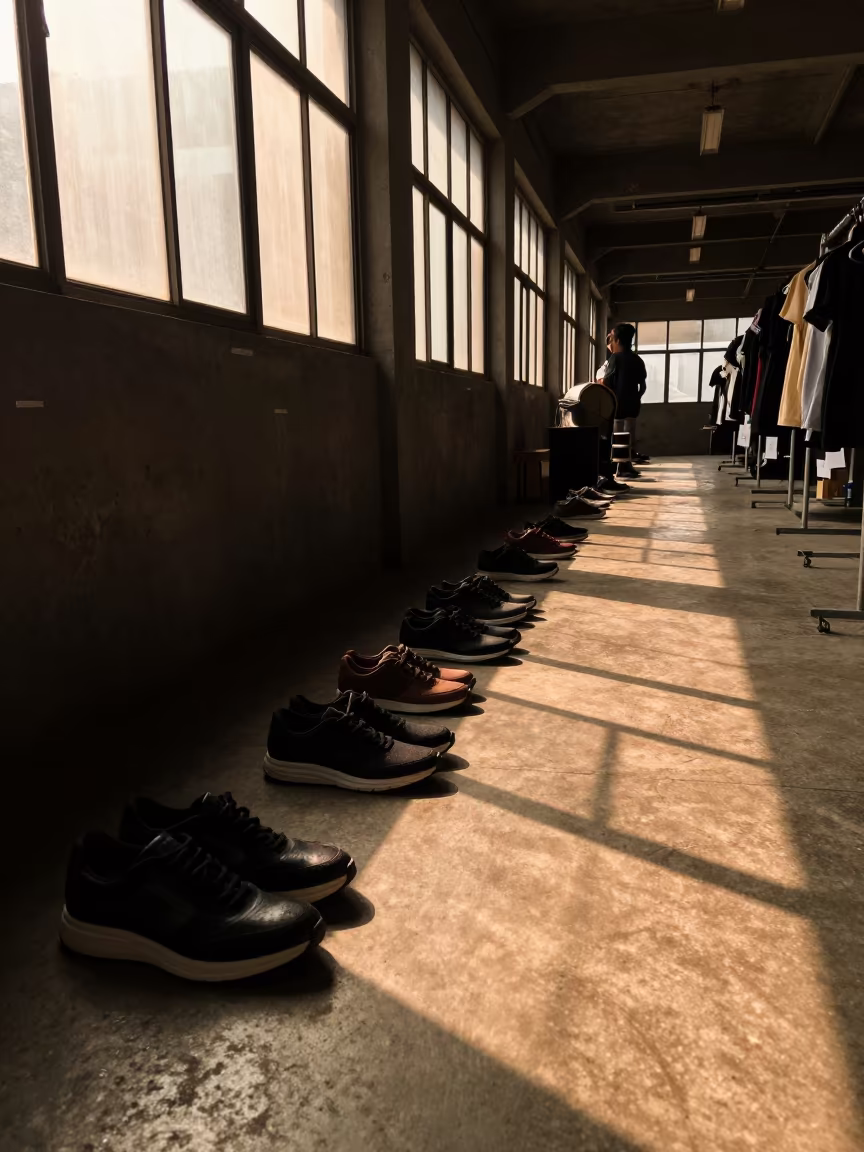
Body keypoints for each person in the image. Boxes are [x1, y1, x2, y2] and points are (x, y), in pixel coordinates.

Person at [601, 323, 647, 478]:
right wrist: (635, 398)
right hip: (632, 407)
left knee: (617, 437)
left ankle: (617, 467)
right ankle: (626, 465)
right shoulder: (637, 359)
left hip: (616, 407)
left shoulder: (615, 359)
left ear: (618, 340)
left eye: (612, 338)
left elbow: (606, 383)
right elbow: (643, 386)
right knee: (629, 436)